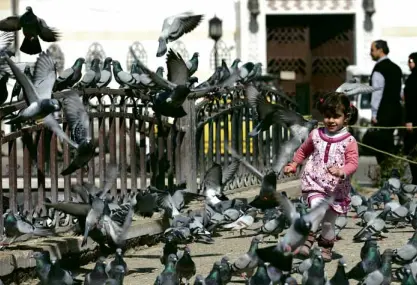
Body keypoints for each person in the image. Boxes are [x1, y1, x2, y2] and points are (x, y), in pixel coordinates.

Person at [284, 92, 359, 262]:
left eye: (336, 116)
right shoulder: (316, 134)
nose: (331, 120)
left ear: (345, 117)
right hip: (315, 182)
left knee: (328, 224)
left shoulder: (349, 140)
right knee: (317, 206)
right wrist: (294, 163)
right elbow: (304, 150)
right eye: (327, 116)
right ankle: (308, 239)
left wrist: (342, 171)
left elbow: (353, 163)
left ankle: (326, 247)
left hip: (336, 189)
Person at [368, 39, 403, 164]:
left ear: (380, 50)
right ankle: (392, 170)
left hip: (384, 112)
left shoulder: (379, 69)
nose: (370, 53)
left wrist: (374, 113)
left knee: (382, 146)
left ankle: (387, 172)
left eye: (372, 50)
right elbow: (400, 92)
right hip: (396, 111)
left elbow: (377, 92)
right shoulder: (397, 68)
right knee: (390, 142)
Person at [403, 52, 417, 184]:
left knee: (411, 150)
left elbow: (412, 102)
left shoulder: (413, 79)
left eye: (411, 60)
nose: (409, 63)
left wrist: (409, 120)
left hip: (414, 122)